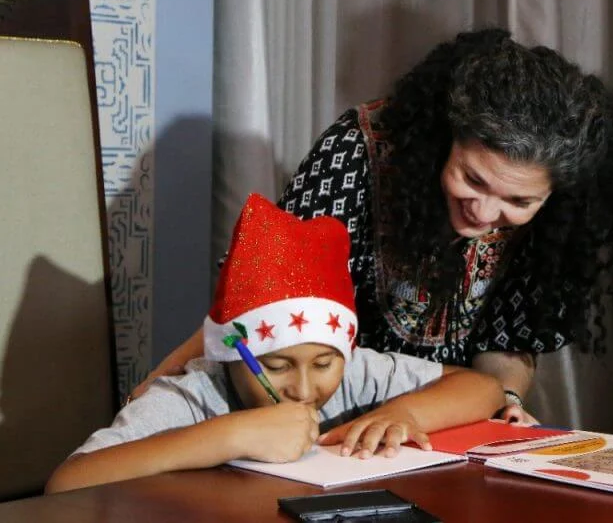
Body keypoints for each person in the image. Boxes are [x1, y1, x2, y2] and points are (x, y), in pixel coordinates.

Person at [137, 28, 613, 424]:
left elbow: (505, 344)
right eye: (471, 179)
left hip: (442, 410)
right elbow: (263, 300)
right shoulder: (355, 153)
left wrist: (502, 403)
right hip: (318, 404)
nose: (484, 213)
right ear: (447, 139)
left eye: (519, 201)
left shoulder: (558, 219)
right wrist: (155, 387)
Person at [46, 194, 504, 494]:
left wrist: (403, 414)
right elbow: (67, 483)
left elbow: (485, 389)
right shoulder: (193, 395)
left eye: (324, 363)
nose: (304, 389)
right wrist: (229, 435)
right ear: (231, 351)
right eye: (277, 365)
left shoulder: (354, 370)